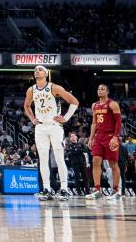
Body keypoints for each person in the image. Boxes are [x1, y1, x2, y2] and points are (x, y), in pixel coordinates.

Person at [24, 65, 79, 200]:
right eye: (35, 69)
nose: (37, 71)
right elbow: (26, 105)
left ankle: (64, 189)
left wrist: (65, 118)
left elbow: (74, 102)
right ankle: (47, 189)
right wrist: (32, 118)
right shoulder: (31, 90)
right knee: (42, 160)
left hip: (55, 126)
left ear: (46, 73)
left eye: (40, 69)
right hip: (40, 128)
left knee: (59, 158)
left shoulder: (54, 87)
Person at [85, 83, 122, 201]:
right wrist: (91, 138)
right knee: (95, 161)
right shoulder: (94, 105)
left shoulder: (112, 104)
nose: (99, 90)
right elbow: (94, 123)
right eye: (98, 89)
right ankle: (97, 190)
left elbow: (118, 122)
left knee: (113, 163)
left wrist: (115, 137)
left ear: (107, 92)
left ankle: (116, 190)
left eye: (102, 89)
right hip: (98, 137)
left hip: (110, 136)